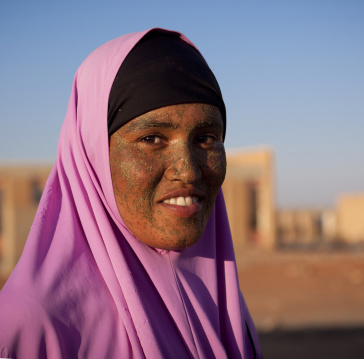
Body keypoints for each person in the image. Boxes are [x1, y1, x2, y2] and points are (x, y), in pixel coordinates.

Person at [0, 28, 261, 358]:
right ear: (92, 155)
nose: (188, 171)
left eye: (206, 138)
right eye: (152, 139)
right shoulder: (31, 327)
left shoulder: (220, 301)